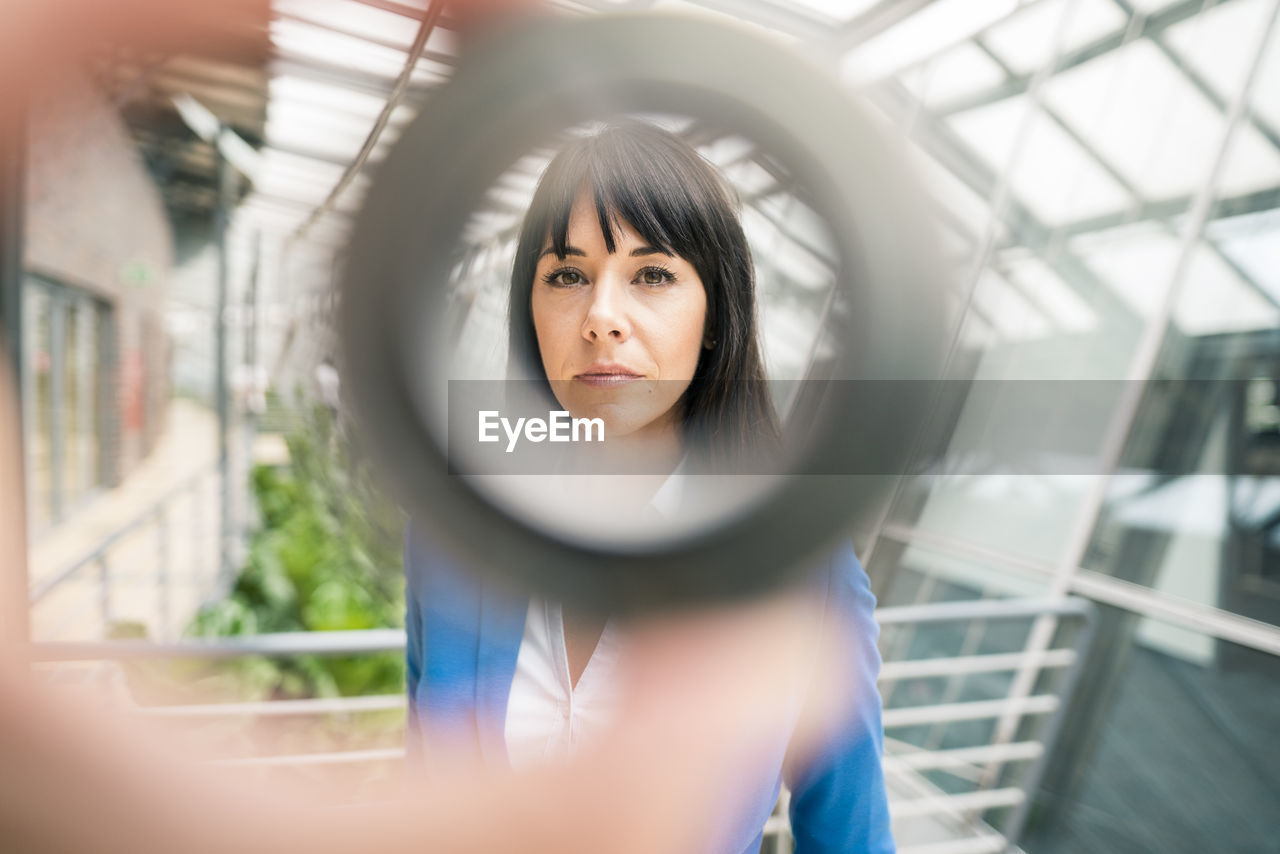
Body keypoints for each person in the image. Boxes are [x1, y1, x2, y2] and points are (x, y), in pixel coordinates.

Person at [405, 122, 895, 853]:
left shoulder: (803, 574)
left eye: (653, 275)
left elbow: (849, 834)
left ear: (713, 318)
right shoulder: (455, 531)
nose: (602, 318)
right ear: (528, 310)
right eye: (567, 275)